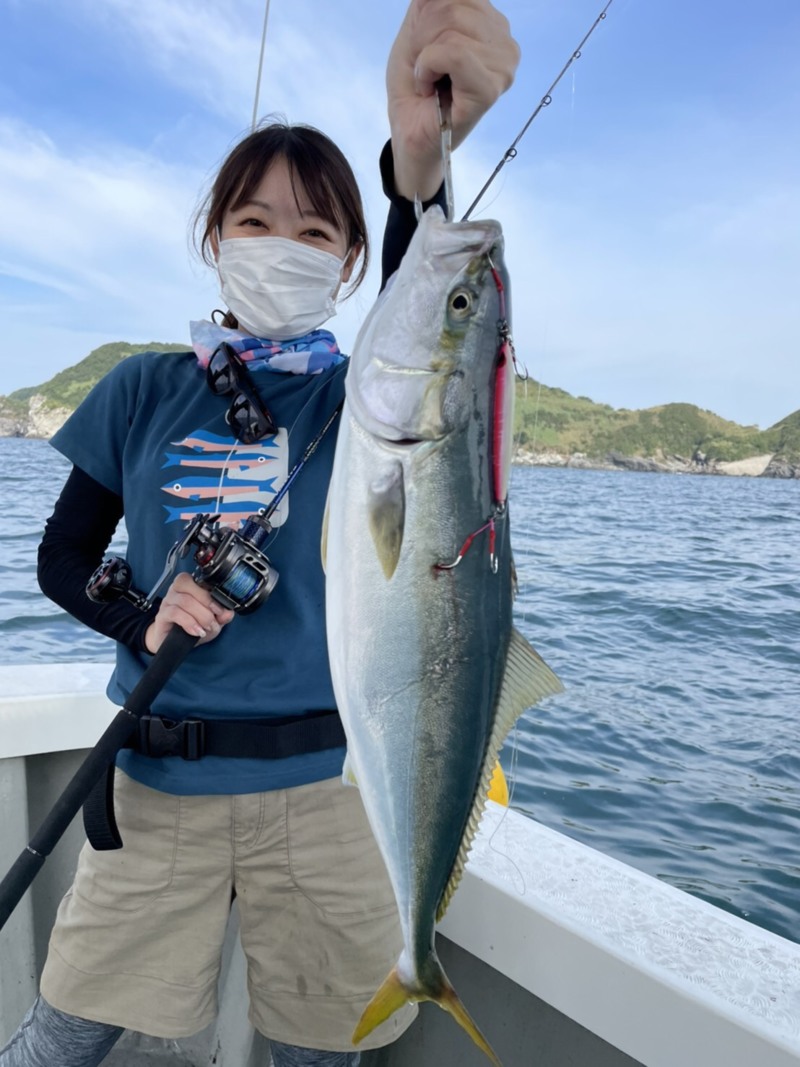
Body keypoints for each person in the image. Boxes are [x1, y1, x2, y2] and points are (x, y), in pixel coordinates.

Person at [0, 2, 519, 1065]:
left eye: (318, 233)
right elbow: (59, 559)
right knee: (58, 1040)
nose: (283, 245)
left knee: (320, 1054)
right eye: (255, 221)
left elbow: (431, 324)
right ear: (214, 240)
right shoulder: (140, 388)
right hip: (152, 786)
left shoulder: (359, 401)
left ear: (347, 269)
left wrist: (417, 160)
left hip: (328, 797)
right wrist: (142, 616)